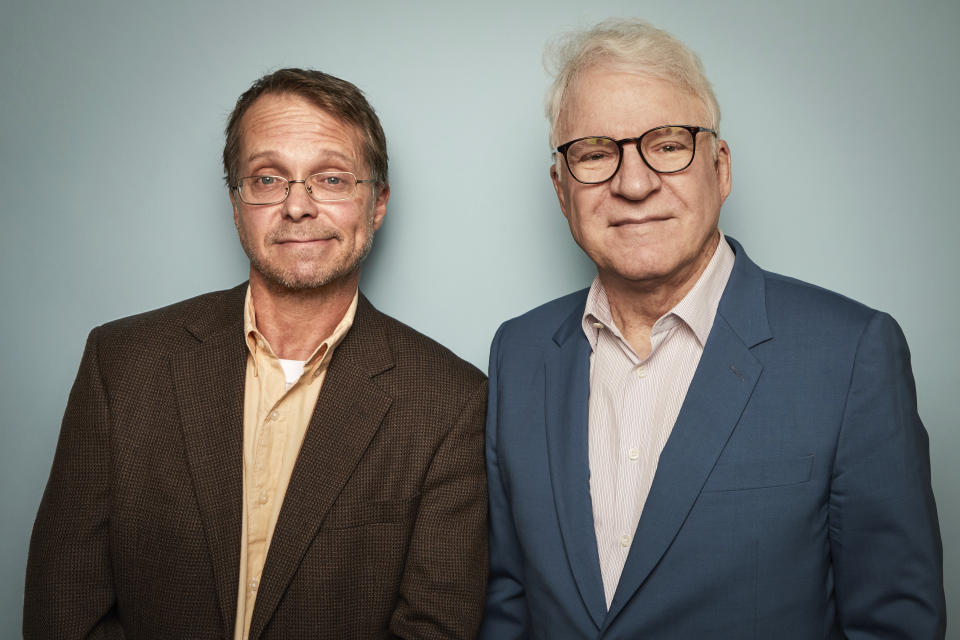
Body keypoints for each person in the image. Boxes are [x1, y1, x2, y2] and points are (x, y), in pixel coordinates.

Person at [480, 19, 945, 639]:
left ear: (719, 168)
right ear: (562, 190)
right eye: (595, 153)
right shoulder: (520, 352)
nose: (634, 183)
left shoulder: (851, 354)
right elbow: (510, 601)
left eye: (668, 144)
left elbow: (894, 623)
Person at [24, 68, 488, 640]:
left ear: (378, 204)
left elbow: (435, 630)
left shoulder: (450, 400)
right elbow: (63, 607)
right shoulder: (121, 366)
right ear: (236, 201)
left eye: (332, 179)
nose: (298, 206)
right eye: (268, 178)